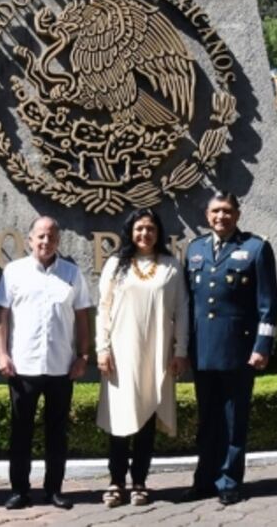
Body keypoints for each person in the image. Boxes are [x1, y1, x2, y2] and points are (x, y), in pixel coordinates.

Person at [180, 191, 277, 505]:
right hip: (203, 350)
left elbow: (268, 304)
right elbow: (188, 303)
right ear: (206, 215)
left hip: (239, 351)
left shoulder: (255, 248)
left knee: (234, 420)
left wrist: (262, 345)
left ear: (237, 214)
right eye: (215, 212)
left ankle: (229, 480)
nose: (220, 217)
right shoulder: (195, 249)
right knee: (207, 419)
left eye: (227, 211)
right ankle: (204, 479)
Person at [0, 216, 92, 510]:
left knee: (57, 434)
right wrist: (1, 353)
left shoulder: (72, 274)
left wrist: (84, 356)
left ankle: (54, 490)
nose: (46, 242)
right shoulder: (14, 272)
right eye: (41, 237)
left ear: (58, 241)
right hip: (23, 366)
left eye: (51, 237)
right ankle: (19, 491)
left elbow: (83, 317)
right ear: (29, 239)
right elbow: (1, 316)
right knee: (21, 432)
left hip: (61, 366)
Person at [95, 208, 189, 508]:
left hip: (156, 353)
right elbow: (104, 309)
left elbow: (182, 312)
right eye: (139, 229)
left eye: (150, 228)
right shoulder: (116, 264)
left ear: (158, 232)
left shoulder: (171, 266)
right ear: (130, 232)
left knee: (147, 417)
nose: (144, 234)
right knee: (120, 419)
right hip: (120, 354)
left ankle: (139, 482)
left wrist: (180, 351)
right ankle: (115, 481)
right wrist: (102, 348)